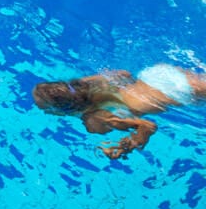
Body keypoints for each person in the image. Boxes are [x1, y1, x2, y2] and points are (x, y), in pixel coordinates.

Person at [33, 64, 206, 159]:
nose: (46, 113)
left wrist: (128, 146)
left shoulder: (94, 118)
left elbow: (148, 126)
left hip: (168, 93)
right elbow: (124, 73)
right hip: (154, 75)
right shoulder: (83, 85)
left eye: (46, 109)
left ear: (61, 110)